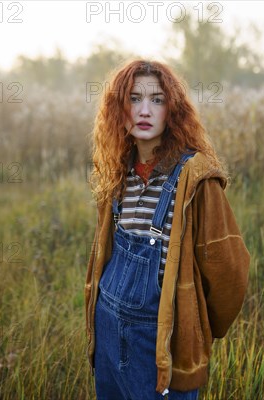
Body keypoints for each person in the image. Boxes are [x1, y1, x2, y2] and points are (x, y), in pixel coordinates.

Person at [84, 59, 250, 399]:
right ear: (119, 108)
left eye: (157, 100)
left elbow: (229, 271)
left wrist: (196, 329)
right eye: (134, 98)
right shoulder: (117, 172)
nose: (145, 110)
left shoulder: (195, 177)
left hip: (161, 339)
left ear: (172, 109)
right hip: (107, 328)